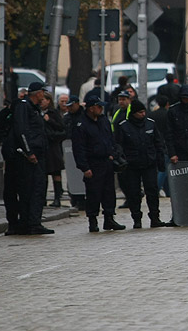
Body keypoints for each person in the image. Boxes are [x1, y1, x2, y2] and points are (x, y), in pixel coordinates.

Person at [3, 82, 53, 234]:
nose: (44, 95)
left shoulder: (34, 108)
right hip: (28, 157)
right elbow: (22, 130)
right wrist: (29, 151)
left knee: (36, 189)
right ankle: (29, 222)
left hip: (38, 154)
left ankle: (32, 221)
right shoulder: (25, 107)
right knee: (29, 190)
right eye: (42, 92)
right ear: (37, 93)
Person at [72, 94, 125, 232]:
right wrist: (84, 167)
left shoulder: (104, 121)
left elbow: (111, 139)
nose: (101, 109)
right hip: (92, 163)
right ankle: (93, 220)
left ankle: (109, 218)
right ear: (90, 108)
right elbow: (78, 148)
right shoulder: (81, 124)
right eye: (98, 106)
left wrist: (113, 154)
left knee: (109, 192)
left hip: (106, 161)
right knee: (93, 193)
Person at [116, 99, 170, 228]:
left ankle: (155, 217)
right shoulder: (124, 126)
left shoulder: (150, 124)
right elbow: (118, 145)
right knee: (134, 193)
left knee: (152, 191)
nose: (142, 114)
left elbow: (158, 143)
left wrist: (160, 162)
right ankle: (136, 219)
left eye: (143, 111)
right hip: (132, 166)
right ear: (134, 113)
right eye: (140, 112)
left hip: (149, 164)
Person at [39, 91, 67, 208]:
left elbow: (61, 128)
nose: (41, 103)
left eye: (43, 100)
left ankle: (57, 198)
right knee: (42, 173)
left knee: (56, 172)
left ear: (48, 101)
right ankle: (42, 198)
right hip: (42, 146)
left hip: (53, 147)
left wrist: (49, 121)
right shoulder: (36, 112)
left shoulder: (53, 113)